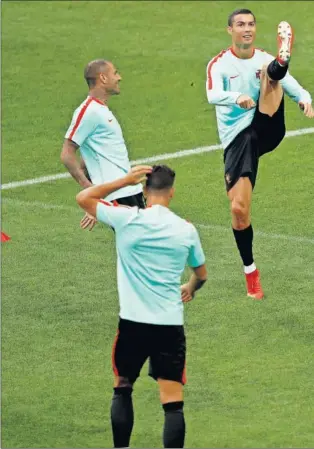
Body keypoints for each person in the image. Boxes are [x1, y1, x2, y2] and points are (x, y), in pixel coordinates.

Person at [76, 164, 207, 448]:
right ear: (171, 193)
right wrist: (190, 288)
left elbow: (84, 198)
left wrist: (124, 180)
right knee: (173, 405)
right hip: (169, 327)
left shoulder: (126, 219)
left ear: (144, 191)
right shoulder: (186, 230)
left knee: (123, 388)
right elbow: (201, 274)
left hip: (133, 324)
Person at [206, 9, 314, 299]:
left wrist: (305, 99)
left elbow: (292, 86)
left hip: (266, 124)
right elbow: (212, 95)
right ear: (230, 30)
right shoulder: (218, 64)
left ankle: (283, 59)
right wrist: (235, 97)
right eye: (240, 24)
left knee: (272, 74)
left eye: (251, 24)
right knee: (239, 211)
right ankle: (250, 271)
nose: (247, 29)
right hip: (239, 139)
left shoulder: (262, 58)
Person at [61, 59, 145, 232]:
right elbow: (67, 153)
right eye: (115, 73)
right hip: (117, 195)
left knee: (142, 249)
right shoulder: (88, 111)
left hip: (129, 190)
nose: (119, 77)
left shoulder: (101, 110)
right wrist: (90, 191)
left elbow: (89, 156)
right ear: (103, 78)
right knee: (142, 250)